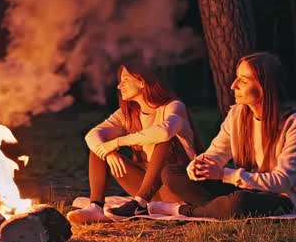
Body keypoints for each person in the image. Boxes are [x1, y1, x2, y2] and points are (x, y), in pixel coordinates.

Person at [156, 52, 296, 219]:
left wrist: (223, 175)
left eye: (243, 80)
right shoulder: (237, 114)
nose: (233, 85)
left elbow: (282, 182)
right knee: (171, 173)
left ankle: (186, 210)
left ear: (264, 87)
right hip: (245, 189)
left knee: (239, 202)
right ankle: (220, 208)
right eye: (236, 78)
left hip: (284, 200)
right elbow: (216, 154)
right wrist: (199, 166)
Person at [67, 63, 201, 224]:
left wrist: (117, 142)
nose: (119, 85)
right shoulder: (128, 114)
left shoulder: (173, 107)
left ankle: (140, 204)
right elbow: (92, 135)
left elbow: (164, 131)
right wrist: (108, 153)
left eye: (125, 79)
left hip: (177, 187)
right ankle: (96, 207)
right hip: (149, 189)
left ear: (142, 81)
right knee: (99, 147)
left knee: (165, 139)